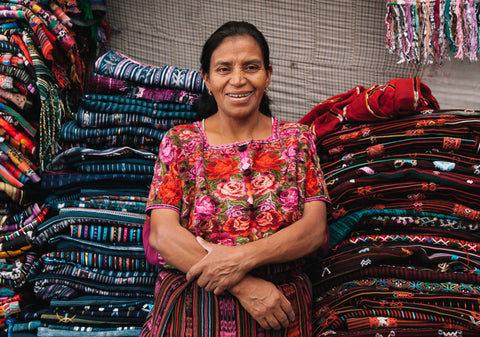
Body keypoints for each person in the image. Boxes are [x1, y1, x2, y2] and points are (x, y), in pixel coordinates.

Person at [141, 21, 330, 337]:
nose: (238, 80)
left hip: (280, 313)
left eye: (251, 67)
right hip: (194, 313)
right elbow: (163, 235)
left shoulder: (297, 140)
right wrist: (246, 287)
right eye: (224, 69)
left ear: (267, 75)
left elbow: (313, 231)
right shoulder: (180, 142)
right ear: (207, 79)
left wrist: (241, 258)